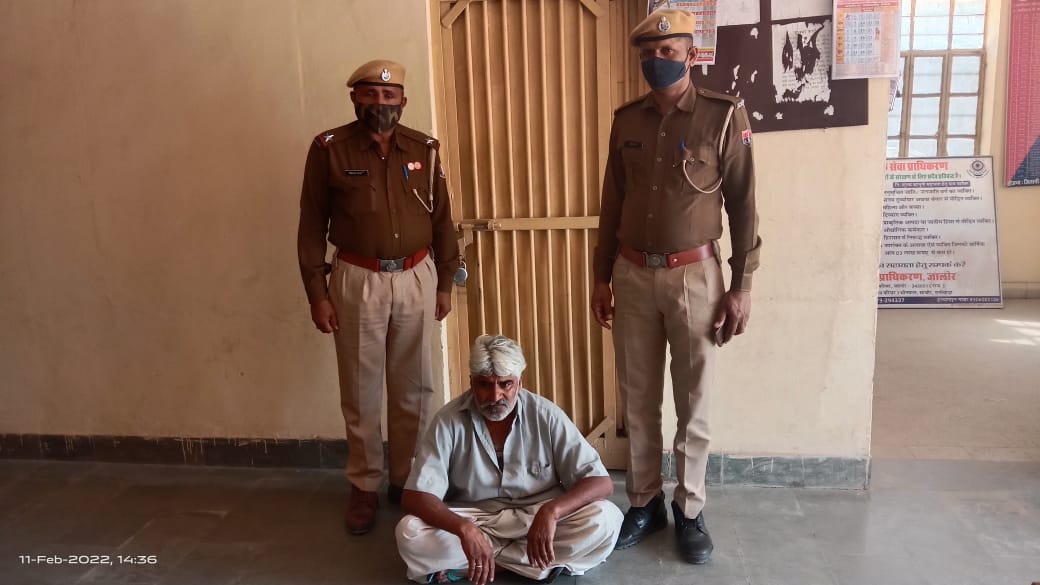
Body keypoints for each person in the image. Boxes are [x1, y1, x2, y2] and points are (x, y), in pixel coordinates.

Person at [590, 9, 762, 565]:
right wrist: (600, 275)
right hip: (631, 274)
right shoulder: (626, 121)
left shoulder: (722, 115)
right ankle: (644, 503)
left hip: (696, 276)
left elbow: (743, 204)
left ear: (692, 53)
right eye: (648, 53)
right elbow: (612, 203)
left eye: (668, 51)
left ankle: (690, 510)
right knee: (638, 399)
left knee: (694, 401)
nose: (657, 60)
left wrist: (742, 285)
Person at [297, 59, 459, 535]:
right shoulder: (329, 149)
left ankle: (407, 482)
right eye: (370, 94)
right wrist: (316, 292)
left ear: (403, 100)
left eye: (389, 96)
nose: (380, 103)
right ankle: (364, 485)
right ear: (355, 98)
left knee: (415, 389)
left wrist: (445, 282)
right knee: (361, 391)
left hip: (415, 277)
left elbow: (443, 220)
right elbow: (311, 224)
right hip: (356, 279)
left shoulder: (425, 149)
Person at [395, 335, 622, 584]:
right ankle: (529, 563)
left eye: (505, 384)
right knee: (409, 532)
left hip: (537, 514)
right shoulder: (448, 421)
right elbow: (414, 496)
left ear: (519, 383)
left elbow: (600, 482)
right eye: (485, 385)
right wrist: (464, 529)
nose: (495, 396)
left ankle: (488, 565)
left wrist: (552, 511)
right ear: (471, 383)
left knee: (606, 519)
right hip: (476, 517)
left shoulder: (546, 415)